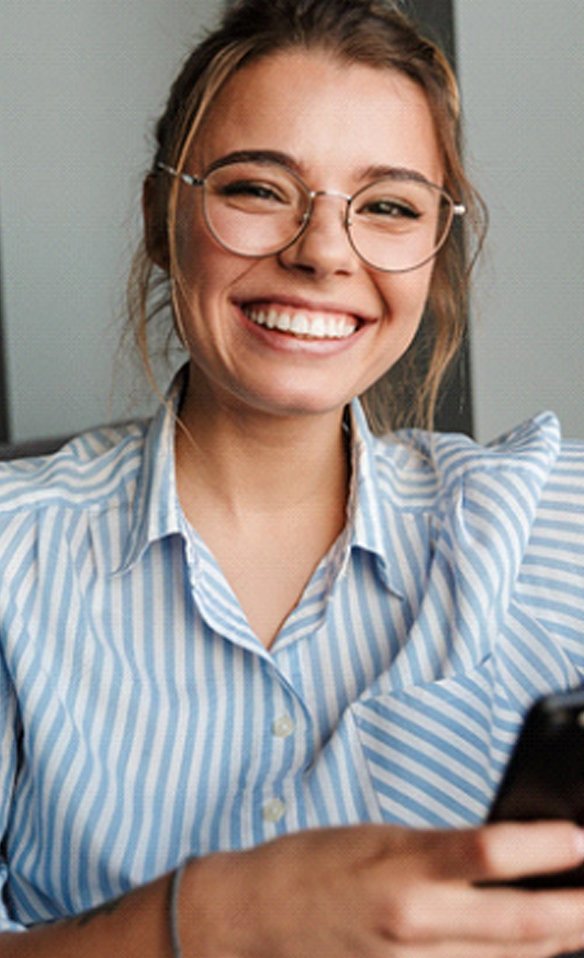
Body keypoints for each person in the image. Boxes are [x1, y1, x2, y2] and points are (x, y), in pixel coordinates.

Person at [1, 0, 584, 955]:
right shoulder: (11, 556)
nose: (321, 251)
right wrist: (225, 915)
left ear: (435, 254)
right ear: (162, 217)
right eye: (257, 189)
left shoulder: (542, 516)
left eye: (389, 206)